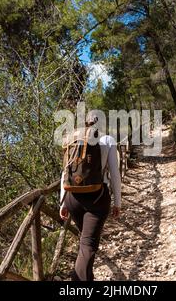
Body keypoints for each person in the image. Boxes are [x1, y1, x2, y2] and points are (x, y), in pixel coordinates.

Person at [59, 116, 122, 281]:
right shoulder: (107, 140)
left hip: (72, 198)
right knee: (88, 244)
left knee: (85, 240)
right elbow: (115, 174)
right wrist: (118, 202)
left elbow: (65, 172)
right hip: (97, 198)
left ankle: (88, 278)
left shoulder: (72, 139)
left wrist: (62, 202)